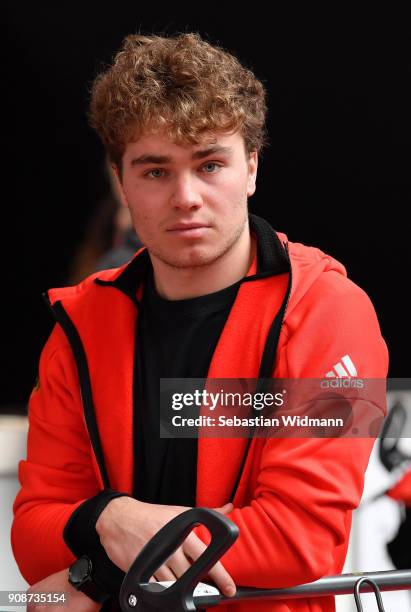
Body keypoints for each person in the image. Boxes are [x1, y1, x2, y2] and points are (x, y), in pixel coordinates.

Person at [11, 32, 388, 612]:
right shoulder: (79, 323)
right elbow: (34, 536)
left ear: (252, 169)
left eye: (210, 164)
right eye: (156, 171)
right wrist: (111, 517)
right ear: (121, 182)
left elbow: (301, 538)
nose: (186, 197)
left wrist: (101, 568)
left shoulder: (332, 311)